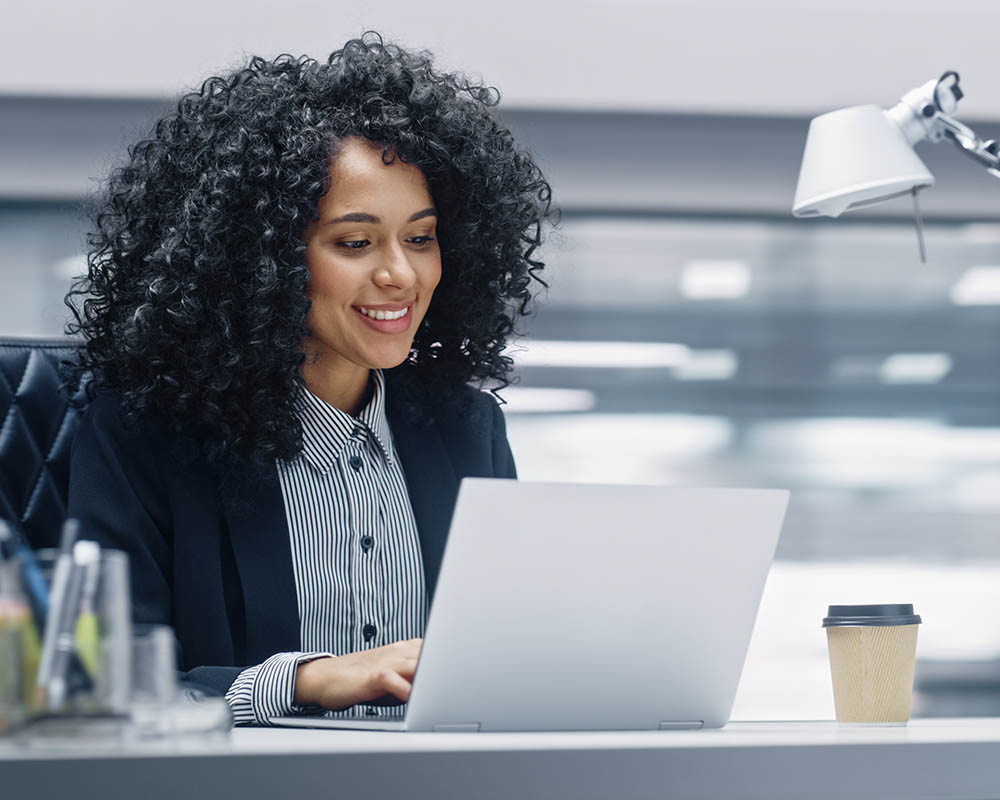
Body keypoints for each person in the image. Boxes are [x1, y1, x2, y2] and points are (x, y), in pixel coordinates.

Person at [65, 33, 553, 726]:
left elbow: (505, 656)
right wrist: (306, 680)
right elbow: (99, 683)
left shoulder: (467, 431)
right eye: (355, 243)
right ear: (258, 259)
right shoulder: (145, 434)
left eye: (420, 238)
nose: (400, 275)